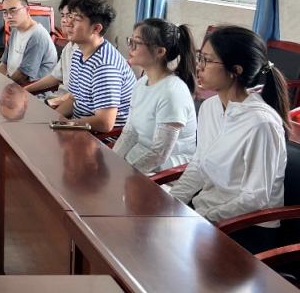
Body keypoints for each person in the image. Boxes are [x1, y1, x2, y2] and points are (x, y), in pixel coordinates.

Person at [169, 25, 290, 254]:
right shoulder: (210, 107)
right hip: (209, 215)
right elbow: (199, 165)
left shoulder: (261, 124)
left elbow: (255, 198)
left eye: (207, 60)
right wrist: (172, 202)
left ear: (236, 70)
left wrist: (203, 217)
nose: (199, 66)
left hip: (247, 227)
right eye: (200, 57)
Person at [112, 18, 198, 173]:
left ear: (160, 51)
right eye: (130, 40)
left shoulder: (172, 92)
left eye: (137, 43)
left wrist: (123, 174)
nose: (130, 47)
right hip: (138, 158)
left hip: (166, 169)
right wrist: (112, 161)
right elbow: (130, 132)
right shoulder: (142, 83)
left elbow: (159, 154)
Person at [47, 0, 135, 133]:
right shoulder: (78, 53)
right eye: (70, 17)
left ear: (96, 28)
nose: (68, 23)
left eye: (76, 19)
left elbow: (105, 123)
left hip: (100, 137)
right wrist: (52, 120)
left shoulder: (104, 66)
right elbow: (73, 99)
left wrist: (63, 124)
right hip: (78, 126)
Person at [0, 0, 57, 85]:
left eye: (13, 11)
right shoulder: (15, 31)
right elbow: (4, 64)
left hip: (32, 90)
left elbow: (23, 76)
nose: (9, 16)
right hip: (14, 84)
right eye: (5, 12)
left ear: (27, 9)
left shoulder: (37, 35)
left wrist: (2, 87)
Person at [25, 0, 78, 95]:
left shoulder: (88, 52)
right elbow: (55, 77)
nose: (64, 20)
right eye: (63, 15)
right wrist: (25, 90)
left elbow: (79, 96)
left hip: (65, 102)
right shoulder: (69, 47)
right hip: (58, 97)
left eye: (70, 16)